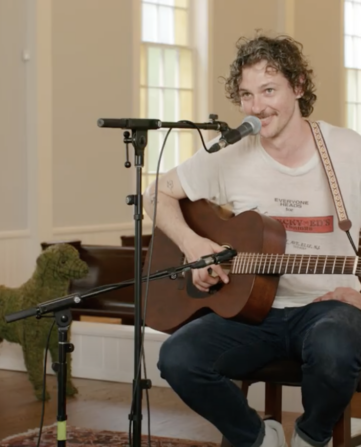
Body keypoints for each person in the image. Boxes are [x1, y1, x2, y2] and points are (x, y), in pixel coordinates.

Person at [143, 33, 361, 447]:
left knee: (335, 347)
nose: (256, 107)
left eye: (268, 90)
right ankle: (259, 437)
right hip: (250, 312)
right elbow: (157, 194)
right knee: (178, 358)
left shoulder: (347, 150)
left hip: (328, 308)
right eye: (246, 94)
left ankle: (311, 438)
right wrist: (192, 245)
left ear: (298, 87)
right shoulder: (229, 153)